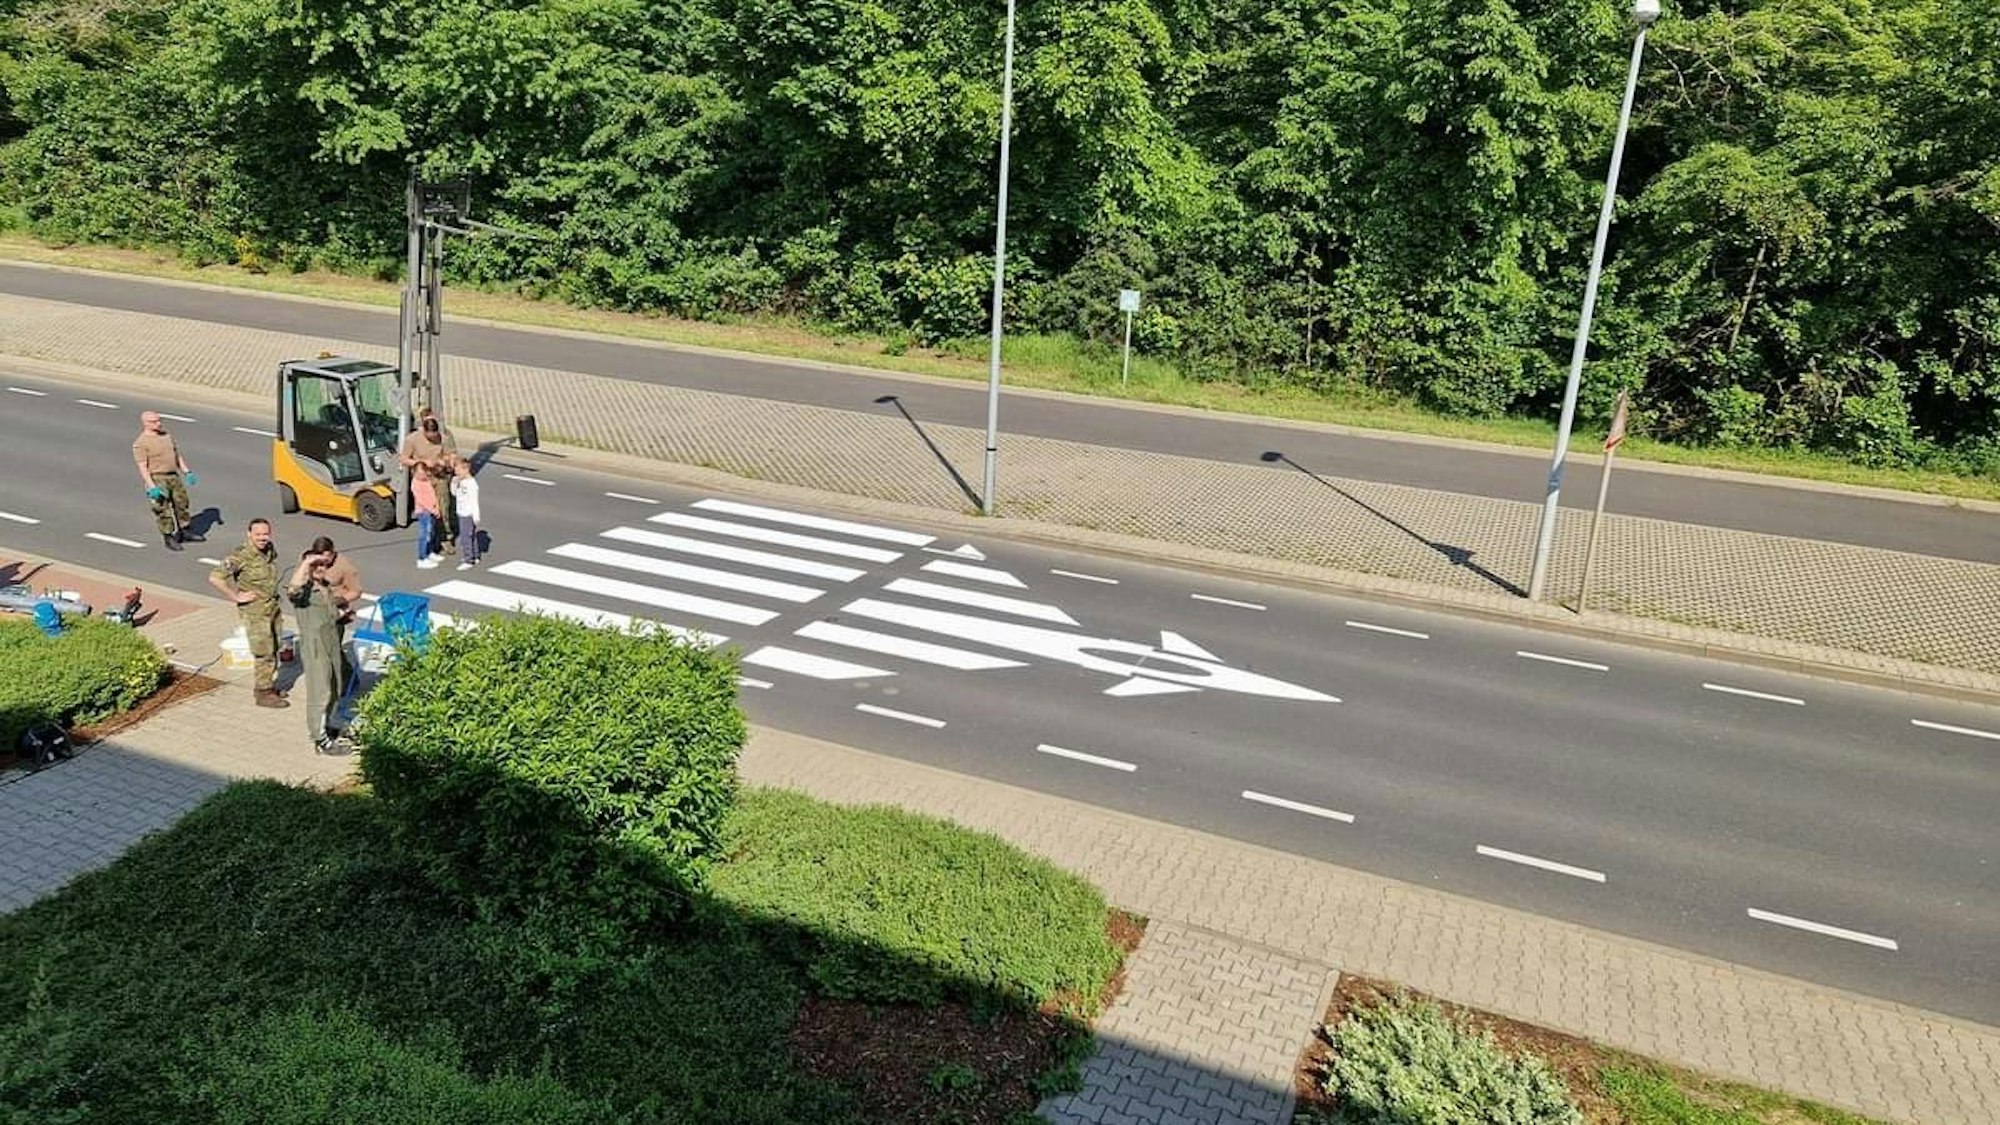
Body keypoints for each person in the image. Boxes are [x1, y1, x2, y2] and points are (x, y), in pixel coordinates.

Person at [208, 519, 287, 708]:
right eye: (258, 534)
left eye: (265, 534)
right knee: (263, 652)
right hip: (255, 612)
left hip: (272, 608)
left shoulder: (268, 550)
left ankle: (269, 684)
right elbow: (215, 577)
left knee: (274, 646)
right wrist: (235, 596)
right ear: (249, 534)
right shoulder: (240, 556)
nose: (262, 538)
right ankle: (263, 692)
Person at [285, 542, 352, 755]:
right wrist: (306, 563)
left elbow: (329, 614)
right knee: (320, 692)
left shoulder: (325, 587)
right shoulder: (304, 591)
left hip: (331, 642)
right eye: (316, 565)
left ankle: (330, 724)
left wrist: (343, 615)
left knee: (335, 686)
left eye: (323, 564)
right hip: (316, 646)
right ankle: (320, 738)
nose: (321, 569)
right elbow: (293, 590)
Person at [132, 411, 201, 551]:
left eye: (159, 420)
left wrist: (187, 471)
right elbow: (142, 467)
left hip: (173, 476)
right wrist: (151, 486)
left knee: (182, 503)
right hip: (157, 477)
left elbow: (176, 455)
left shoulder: (166, 436)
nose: (159, 423)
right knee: (162, 508)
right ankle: (168, 536)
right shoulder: (141, 443)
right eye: (154, 421)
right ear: (145, 423)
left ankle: (185, 531)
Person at [399, 408, 460, 555]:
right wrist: (421, 461)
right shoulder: (412, 439)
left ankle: (446, 538)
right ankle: (430, 541)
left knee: (443, 508)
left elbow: (452, 456)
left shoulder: (443, 438)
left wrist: (445, 461)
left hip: (439, 477)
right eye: (430, 437)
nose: (433, 438)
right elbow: (403, 458)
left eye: (435, 436)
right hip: (422, 480)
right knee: (427, 511)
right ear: (424, 432)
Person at [450, 456, 482, 570]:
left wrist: (476, 516)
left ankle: (468, 559)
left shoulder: (472, 484)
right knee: (471, 535)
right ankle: (475, 555)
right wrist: (454, 483)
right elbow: (454, 494)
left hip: (468, 514)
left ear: (465, 469)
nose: (456, 472)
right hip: (461, 512)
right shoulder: (460, 481)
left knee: (466, 537)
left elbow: (474, 501)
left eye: (457, 470)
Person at [412, 468, 442, 568]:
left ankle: (430, 552)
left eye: (424, 473)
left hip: (432, 510)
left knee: (432, 532)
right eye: (419, 473)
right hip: (423, 512)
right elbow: (420, 500)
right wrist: (432, 510)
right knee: (424, 534)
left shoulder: (427, 480)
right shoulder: (415, 484)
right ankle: (422, 558)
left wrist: (437, 507)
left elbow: (433, 494)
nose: (422, 475)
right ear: (414, 473)